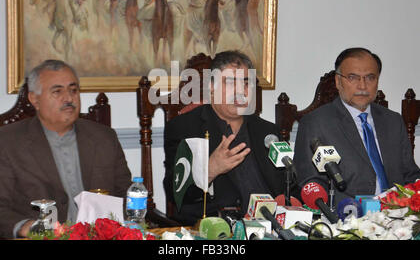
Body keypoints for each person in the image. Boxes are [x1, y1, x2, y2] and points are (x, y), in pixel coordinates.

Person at [0, 60, 131, 239]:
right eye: (57, 91)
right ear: (34, 99)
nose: (69, 98)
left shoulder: (104, 138)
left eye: (73, 90)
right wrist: (28, 227)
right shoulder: (5, 142)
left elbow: (126, 195)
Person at [163, 50, 286, 225]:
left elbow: (290, 184)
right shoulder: (185, 128)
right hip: (218, 230)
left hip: (272, 226)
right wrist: (209, 170)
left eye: (246, 83)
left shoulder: (267, 131)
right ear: (211, 86)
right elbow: (175, 193)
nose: (240, 91)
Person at [294, 48, 420, 207]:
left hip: (397, 215)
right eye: (353, 77)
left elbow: (411, 175)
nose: (362, 86)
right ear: (338, 82)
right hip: (346, 218)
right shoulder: (316, 123)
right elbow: (310, 183)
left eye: (370, 77)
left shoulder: (393, 121)